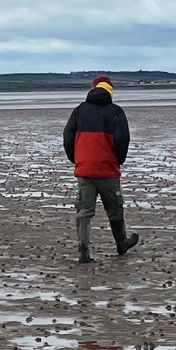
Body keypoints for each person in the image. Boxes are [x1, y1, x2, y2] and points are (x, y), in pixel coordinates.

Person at [63, 74, 140, 263]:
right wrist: (118, 160)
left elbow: (67, 136)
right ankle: (121, 243)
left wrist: (77, 159)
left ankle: (84, 252)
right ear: (110, 91)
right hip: (108, 170)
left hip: (85, 170)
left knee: (84, 211)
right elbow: (123, 140)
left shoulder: (79, 110)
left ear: (93, 88)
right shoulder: (116, 111)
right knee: (115, 209)